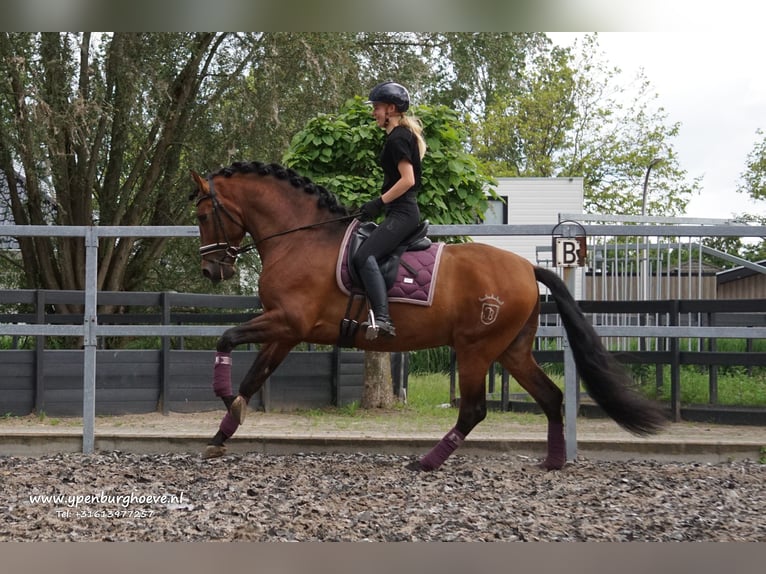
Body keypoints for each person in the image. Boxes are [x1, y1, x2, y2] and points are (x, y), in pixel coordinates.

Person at [353, 81, 427, 338]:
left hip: (403, 213)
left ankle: (383, 318)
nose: (374, 113)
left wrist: (378, 202)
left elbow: (408, 180)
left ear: (391, 109)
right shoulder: (400, 136)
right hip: (398, 211)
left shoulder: (398, 138)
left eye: (377, 107)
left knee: (363, 256)